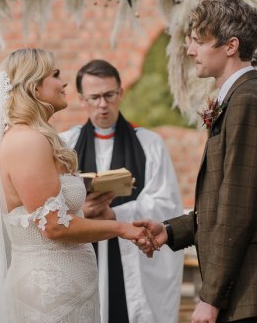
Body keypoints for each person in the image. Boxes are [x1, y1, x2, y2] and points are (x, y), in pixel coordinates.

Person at [134, 0, 257, 323]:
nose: (190, 51)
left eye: (199, 42)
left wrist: (211, 298)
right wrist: (170, 232)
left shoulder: (248, 103)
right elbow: (223, 201)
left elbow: (237, 207)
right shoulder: (239, 98)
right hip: (247, 283)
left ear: (231, 46)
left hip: (252, 286)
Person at [0, 48, 150, 323]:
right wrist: (121, 227)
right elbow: (54, 225)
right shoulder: (26, 141)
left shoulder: (42, 138)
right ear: (34, 86)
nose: (63, 83)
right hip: (48, 296)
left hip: (70, 290)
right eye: (56, 75)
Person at [60, 59, 183, 323]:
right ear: (82, 99)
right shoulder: (65, 145)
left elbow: (166, 203)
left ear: (121, 93)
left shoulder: (150, 144)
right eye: (94, 97)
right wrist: (84, 210)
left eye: (109, 95)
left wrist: (114, 215)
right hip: (83, 254)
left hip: (131, 259)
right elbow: (50, 205)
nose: (103, 104)